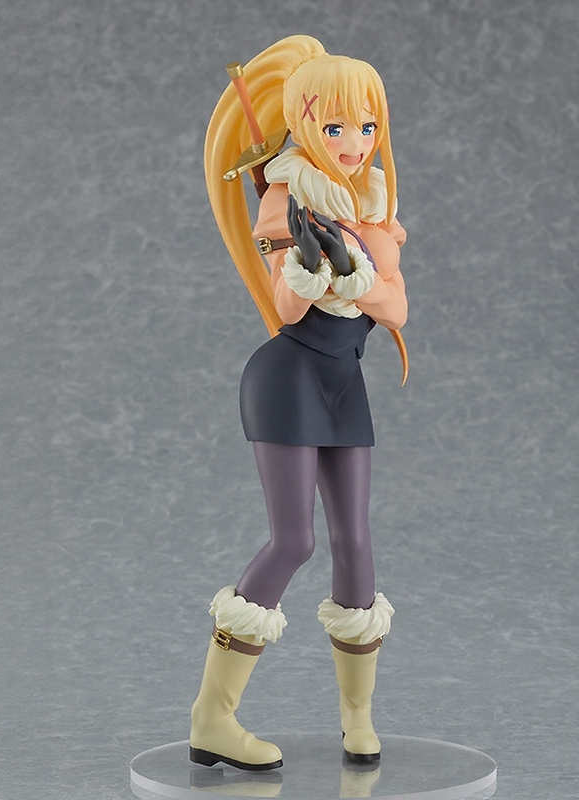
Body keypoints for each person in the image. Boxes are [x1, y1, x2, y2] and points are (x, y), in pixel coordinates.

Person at [190, 34, 408, 771]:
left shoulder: (374, 201)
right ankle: (212, 717)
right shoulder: (285, 196)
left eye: (367, 125)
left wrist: (357, 273)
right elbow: (286, 308)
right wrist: (310, 266)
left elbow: (397, 308)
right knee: (294, 541)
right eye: (335, 125)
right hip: (287, 379)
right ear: (304, 124)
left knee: (356, 542)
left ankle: (358, 720)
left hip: (345, 382)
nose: (354, 141)